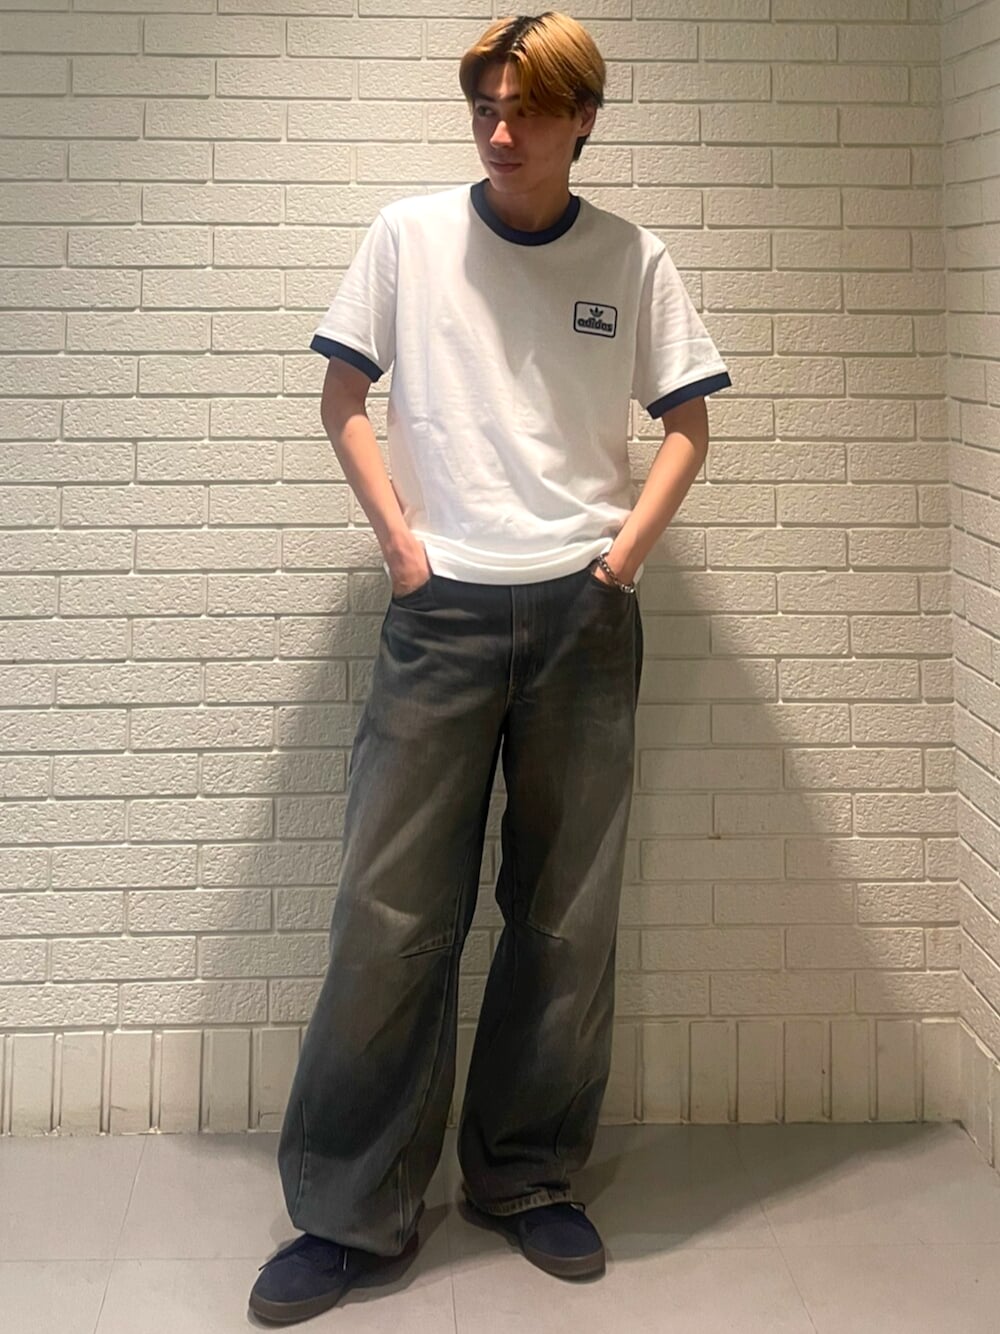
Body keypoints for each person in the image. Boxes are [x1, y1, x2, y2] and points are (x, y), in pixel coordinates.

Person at [249, 10, 731, 1323]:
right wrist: (404, 550)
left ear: (583, 120)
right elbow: (343, 398)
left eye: (526, 110)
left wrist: (619, 562)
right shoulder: (409, 237)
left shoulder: (631, 257)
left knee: (565, 914)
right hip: (442, 616)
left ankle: (526, 1176)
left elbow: (688, 424)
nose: (500, 132)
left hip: (583, 618)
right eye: (484, 108)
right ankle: (352, 1209)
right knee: (390, 913)